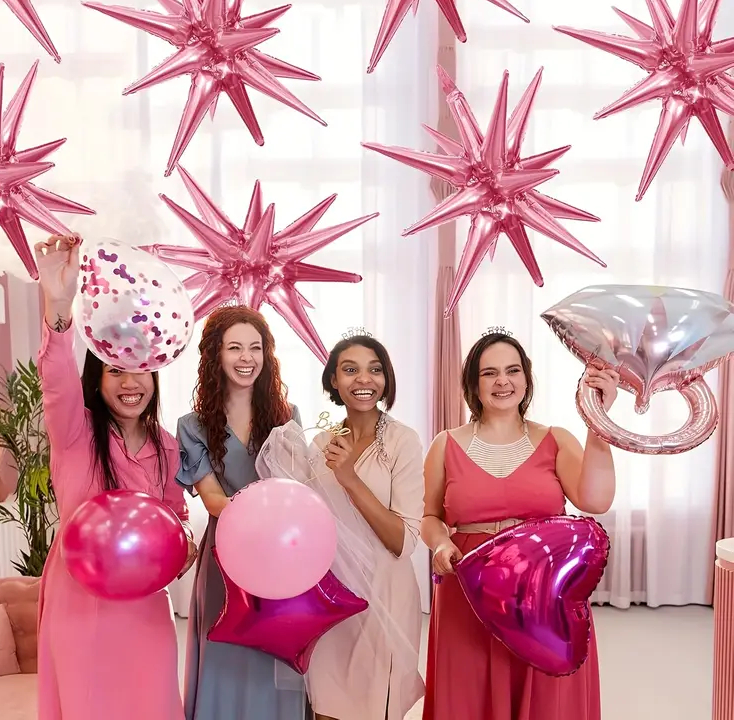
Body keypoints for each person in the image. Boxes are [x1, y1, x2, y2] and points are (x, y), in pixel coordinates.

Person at [35, 234, 196, 720]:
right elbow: (55, 377)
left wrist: (184, 545)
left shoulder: (168, 446)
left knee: (150, 703)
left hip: (145, 607)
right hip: (79, 604)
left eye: (139, 371)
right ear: (97, 379)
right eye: (114, 371)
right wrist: (58, 305)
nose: (130, 383)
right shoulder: (75, 431)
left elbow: (176, 519)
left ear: (155, 375)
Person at [421, 329, 620, 720]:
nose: (502, 381)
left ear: (526, 379)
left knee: (545, 693)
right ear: (473, 384)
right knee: (470, 689)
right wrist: (441, 544)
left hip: (543, 590)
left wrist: (599, 419)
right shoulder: (445, 444)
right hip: (468, 588)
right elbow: (429, 517)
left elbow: (596, 500)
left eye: (512, 370)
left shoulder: (555, 439)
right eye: (489, 372)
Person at [176, 306, 307, 720]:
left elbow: (298, 488)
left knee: (276, 649)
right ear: (215, 354)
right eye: (234, 347)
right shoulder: (192, 425)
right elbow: (213, 499)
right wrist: (262, 517)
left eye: (256, 347)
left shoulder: (287, 416)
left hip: (282, 555)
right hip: (226, 555)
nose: (246, 357)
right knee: (227, 650)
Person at [308, 332, 425, 720]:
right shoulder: (320, 444)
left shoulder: (402, 441)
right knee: (326, 707)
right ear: (333, 380)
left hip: (384, 601)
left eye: (375, 370)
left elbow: (402, 541)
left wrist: (349, 478)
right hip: (331, 601)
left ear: (386, 379)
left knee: (374, 708)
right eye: (350, 369)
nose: (364, 379)